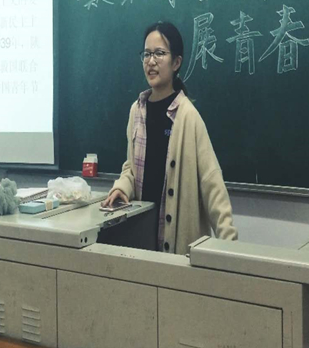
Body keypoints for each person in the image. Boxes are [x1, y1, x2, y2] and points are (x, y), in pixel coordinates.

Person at [102, 21, 238, 254]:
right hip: (141, 241)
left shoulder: (187, 116)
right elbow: (131, 167)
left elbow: (212, 183)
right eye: (147, 54)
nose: (151, 61)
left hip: (177, 248)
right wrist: (122, 187)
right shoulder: (137, 111)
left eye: (159, 53)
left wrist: (229, 247)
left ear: (176, 62)